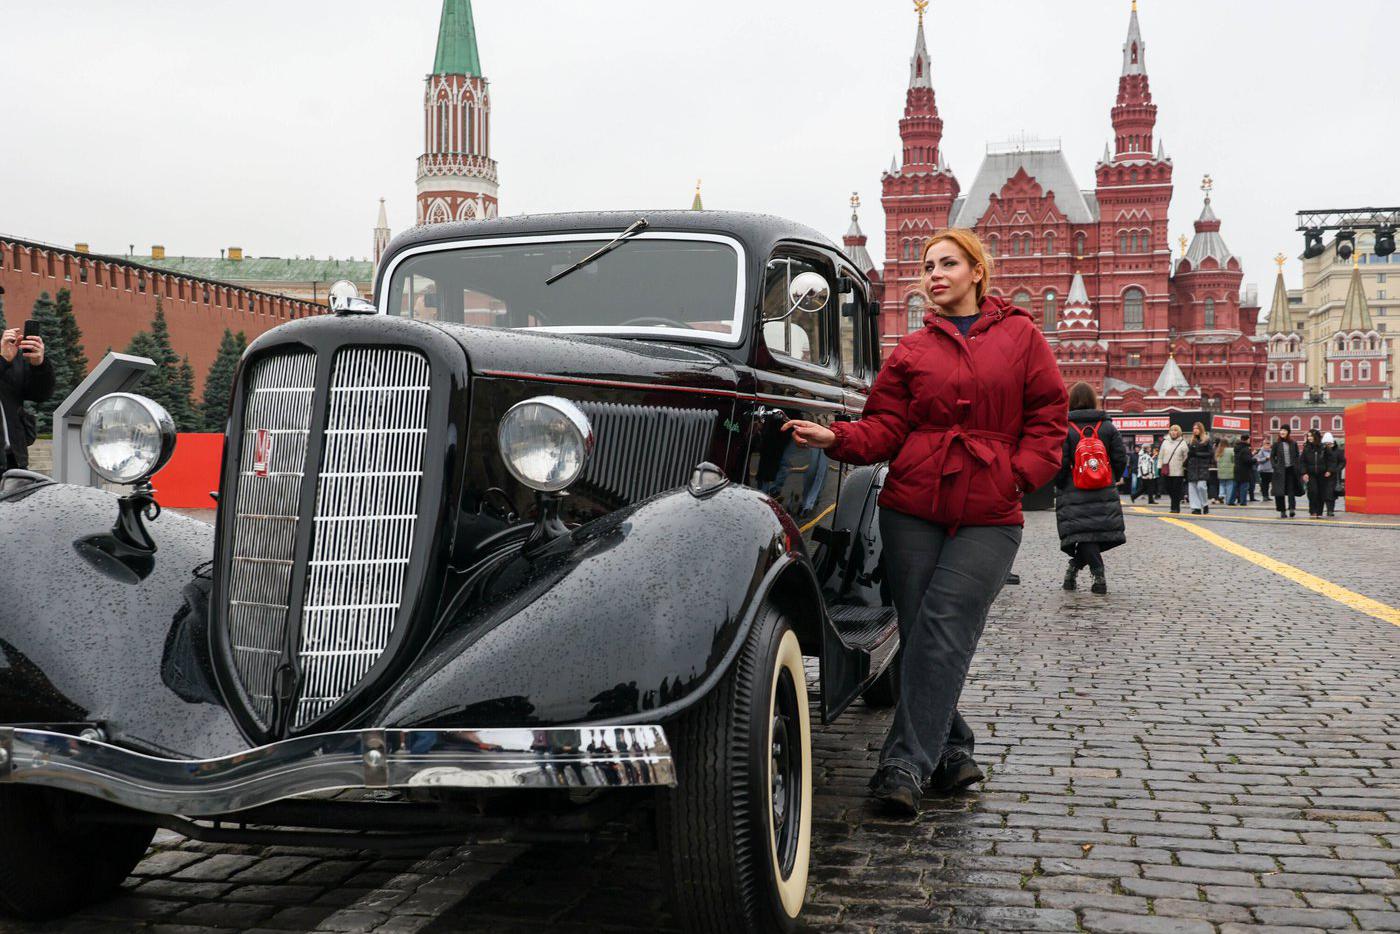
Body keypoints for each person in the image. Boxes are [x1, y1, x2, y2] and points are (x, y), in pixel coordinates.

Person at [781, 228, 1067, 814]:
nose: (935, 274)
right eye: (928, 266)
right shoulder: (912, 349)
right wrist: (835, 437)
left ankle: (904, 763)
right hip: (912, 508)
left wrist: (1019, 473)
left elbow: (1049, 415)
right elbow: (885, 426)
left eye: (948, 264)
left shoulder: (1021, 336)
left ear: (976, 272)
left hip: (990, 512)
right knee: (922, 635)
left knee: (943, 623)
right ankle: (954, 747)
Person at [1055, 383, 1127, 594]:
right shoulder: (1107, 427)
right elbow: (1120, 458)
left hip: (1073, 489)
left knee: (1085, 534)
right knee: (1092, 534)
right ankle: (1073, 570)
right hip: (1103, 487)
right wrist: (1111, 477)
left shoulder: (1066, 428)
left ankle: (1098, 576)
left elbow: (1060, 461)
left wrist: (1061, 483)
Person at [0, 326, 53, 471]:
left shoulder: (8, 349)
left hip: (14, 461)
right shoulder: (4, 355)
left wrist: (39, 365)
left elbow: (40, 395)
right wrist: (2, 361)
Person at [1301, 428, 1338, 519]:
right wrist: (1304, 472)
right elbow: (1302, 462)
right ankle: (1313, 511)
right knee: (1313, 492)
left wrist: (1329, 470)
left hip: (1322, 474)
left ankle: (1319, 512)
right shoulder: (1306, 448)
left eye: (1311, 436)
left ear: (1316, 437)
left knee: (1321, 493)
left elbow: (1332, 461)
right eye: (1308, 436)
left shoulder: (1324, 448)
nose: (1309, 438)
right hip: (1311, 474)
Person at [1271, 426, 1302, 518]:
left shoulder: (1293, 443)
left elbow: (1297, 456)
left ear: (1288, 432)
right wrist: (1275, 466)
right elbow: (1272, 457)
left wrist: (1297, 466)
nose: (1282, 432)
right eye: (1281, 430)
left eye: (1284, 430)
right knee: (1280, 492)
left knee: (1291, 490)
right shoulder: (1276, 444)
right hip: (1280, 471)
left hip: (1291, 470)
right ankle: (1282, 511)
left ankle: (1292, 508)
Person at [1157, 425, 1189, 513]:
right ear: (1169, 432)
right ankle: (1174, 504)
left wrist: (1185, 468)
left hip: (1178, 470)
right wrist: (1159, 467)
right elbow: (1160, 456)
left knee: (1176, 490)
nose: (1173, 432)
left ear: (1179, 432)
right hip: (1167, 470)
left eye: (1176, 430)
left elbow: (1186, 457)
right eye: (1172, 430)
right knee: (1168, 488)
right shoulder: (1165, 442)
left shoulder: (1183, 442)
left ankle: (1175, 507)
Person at [1185, 423, 1213, 515]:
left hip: (1202, 466)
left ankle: (1205, 504)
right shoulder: (1191, 441)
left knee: (1201, 487)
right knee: (1192, 488)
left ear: (1201, 429)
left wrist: (1197, 454)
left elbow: (1210, 454)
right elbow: (1189, 454)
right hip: (1192, 466)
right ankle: (1195, 507)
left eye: (1197, 428)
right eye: (1193, 428)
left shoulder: (1207, 440)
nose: (1195, 430)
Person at [1327, 434, 1345, 516]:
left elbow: (1342, 462)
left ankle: (1330, 510)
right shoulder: (1323, 450)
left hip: (1335, 475)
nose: (1329, 445)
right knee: (1325, 492)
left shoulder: (1338, 451)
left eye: (1330, 443)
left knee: (1331, 493)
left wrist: (1337, 469)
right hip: (1324, 474)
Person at [1233, 436, 1253, 505]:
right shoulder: (1245, 448)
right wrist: (1255, 460)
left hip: (1237, 468)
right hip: (1244, 470)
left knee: (1235, 487)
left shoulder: (1236, 447)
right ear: (1247, 440)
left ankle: (1230, 501)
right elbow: (1247, 460)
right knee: (1244, 487)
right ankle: (1243, 502)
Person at [1216, 439, 1236, 507]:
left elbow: (1217, 460)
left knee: (1221, 484)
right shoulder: (1231, 450)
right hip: (1230, 471)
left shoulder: (1218, 451)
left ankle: (1221, 494)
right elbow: (1234, 460)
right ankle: (1228, 500)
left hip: (1221, 470)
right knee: (1229, 485)